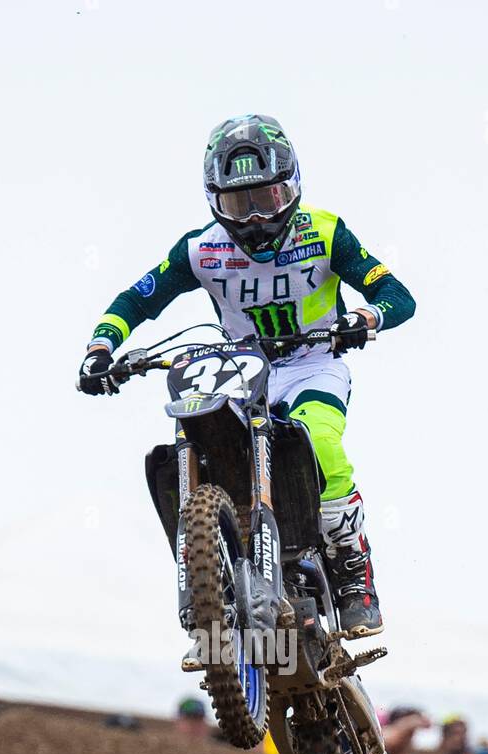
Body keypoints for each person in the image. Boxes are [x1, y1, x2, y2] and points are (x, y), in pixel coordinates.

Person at [77, 114, 417, 637]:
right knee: (193, 441)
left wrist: (365, 319)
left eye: (268, 198)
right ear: (215, 202)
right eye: (240, 205)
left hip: (311, 363)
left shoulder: (325, 233)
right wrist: (103, 347)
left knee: (320, 441)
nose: (257, 218)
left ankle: (352, 570)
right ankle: (207, 590)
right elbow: (137, 299)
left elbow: (398, 295)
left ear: (293, 187)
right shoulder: (200, 249)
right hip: (239, 370)